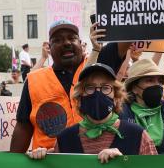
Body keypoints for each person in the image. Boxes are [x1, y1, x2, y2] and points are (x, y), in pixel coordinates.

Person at [27, 63, 156, 161]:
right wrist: (42, 158)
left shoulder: (138, 135)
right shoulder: (65, 139)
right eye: (90, 88)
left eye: (106, 88)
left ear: (116, 97)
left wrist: (124, 162)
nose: (97, 93)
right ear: (80, 96)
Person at [11, 22, 86, 153]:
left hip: (93, 162)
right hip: (46, 165)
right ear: (49, 49)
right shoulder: (34, 80)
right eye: (58, 40)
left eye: (72, 38)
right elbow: (23, 126)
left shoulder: (96, 73)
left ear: (81, 43)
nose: (66, 43)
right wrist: (13, 167)